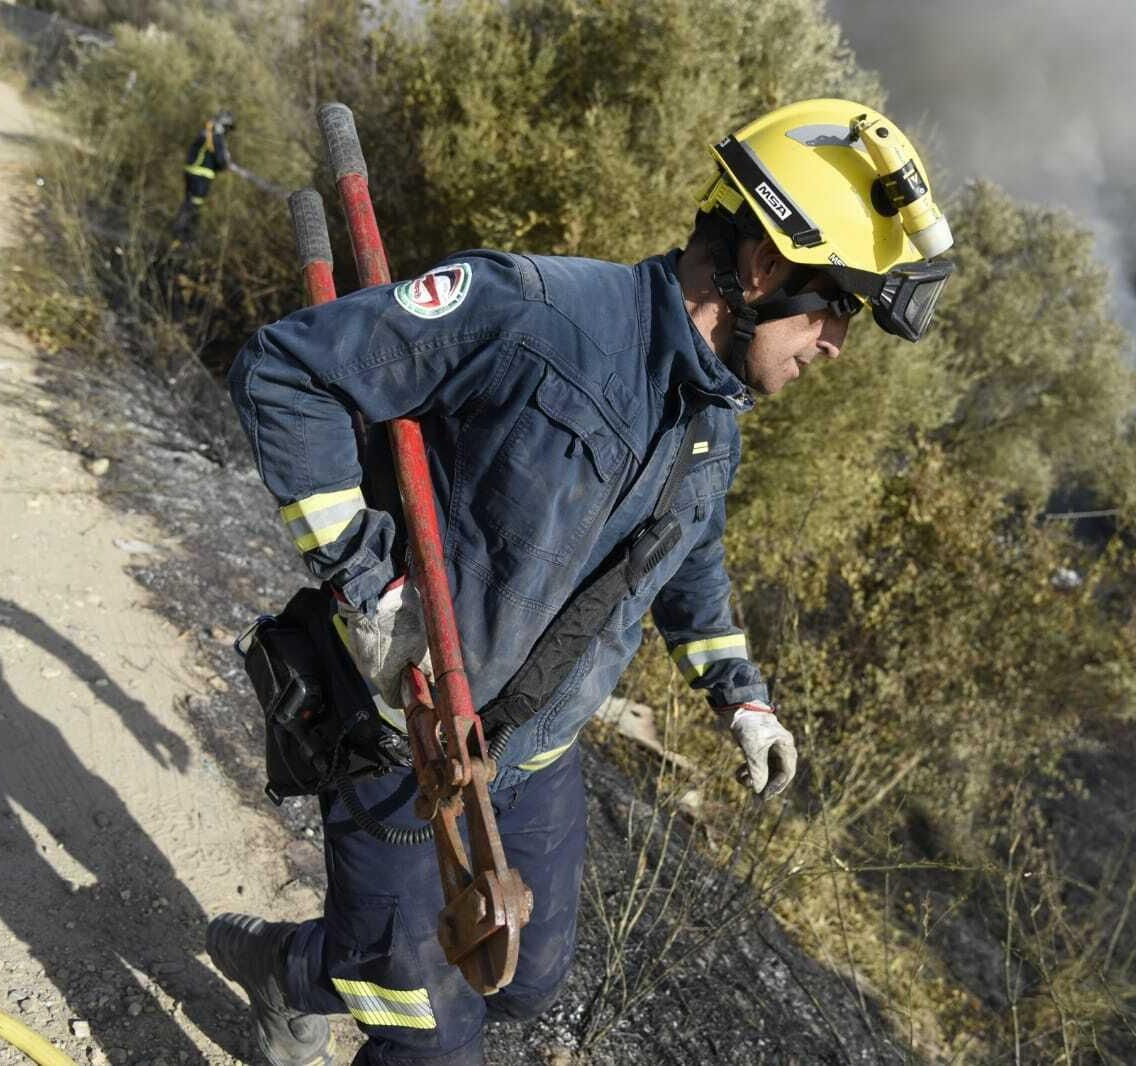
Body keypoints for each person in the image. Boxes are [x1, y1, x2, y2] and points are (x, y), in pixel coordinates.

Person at [208, 98, 954, 1066]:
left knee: (523, 981)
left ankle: (286, 970)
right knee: (429, 1026)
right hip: (404, 732)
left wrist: (742, 697)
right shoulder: (530, 313)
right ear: (765, 269)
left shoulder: (710, 422)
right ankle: (350, 975)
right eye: (837, 308)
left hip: (535, 749)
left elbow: (686, 560)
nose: (834, 346)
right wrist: (368, 588)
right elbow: (284, 371)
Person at [171, 109, 235, 243]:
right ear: (223, 125)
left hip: (192, 171)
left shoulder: (207, 133)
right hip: (200, 175)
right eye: (227, 128)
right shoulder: (215, 137)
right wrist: (226, 164)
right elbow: (220, 161)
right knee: (194, 204)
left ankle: (180, 233)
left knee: (189, 201)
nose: (228, 132)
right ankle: (183, 235)